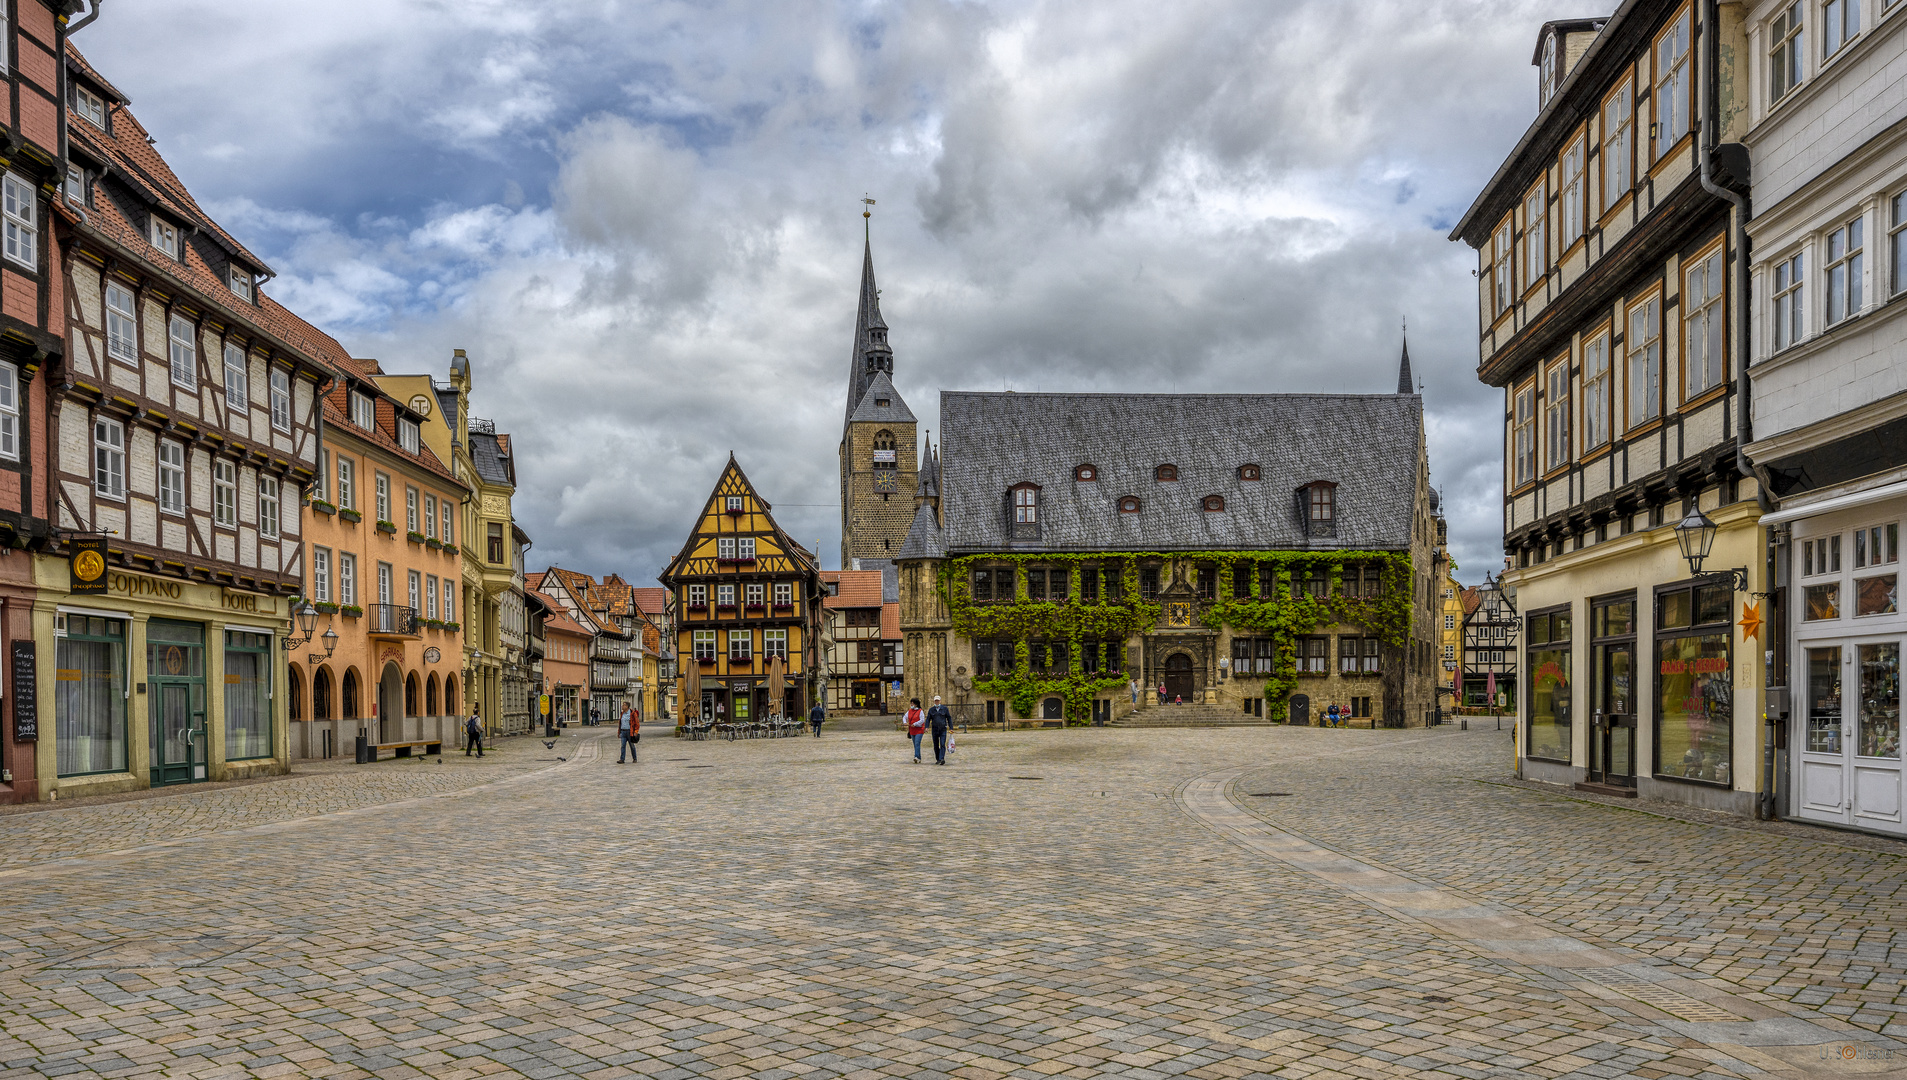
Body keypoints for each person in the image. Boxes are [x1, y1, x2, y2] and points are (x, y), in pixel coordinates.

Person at [927, 695, 952, 765]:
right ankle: (938, 758)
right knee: (935, 745)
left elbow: (949, 718)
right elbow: (928, 719)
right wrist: (927, 727)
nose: (937, 702)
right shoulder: (931, 710)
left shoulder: (944, 709)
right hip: (935, 729)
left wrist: (951, 727)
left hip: (942, 728)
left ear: (940, 701)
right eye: (935, 701)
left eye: (938, 700)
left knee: (942, 743)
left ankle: (942, 758)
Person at [905, 698, 926, 763]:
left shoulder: (920, 711)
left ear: (916, 704)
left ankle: (916, 756)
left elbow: (922, 720)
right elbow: (905, 717)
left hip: (919, 730)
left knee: (917, 743)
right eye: (911, 703)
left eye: (912, 703)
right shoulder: (909, 711)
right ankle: (919, 757)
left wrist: (915, 724)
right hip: (912, 730)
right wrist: (905, 722)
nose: (911, 704)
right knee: (915, 744)